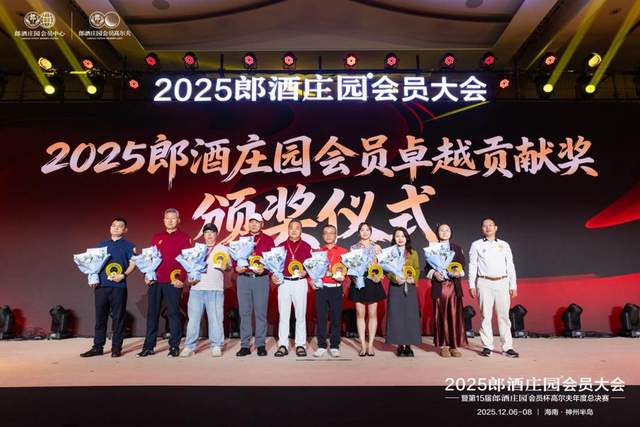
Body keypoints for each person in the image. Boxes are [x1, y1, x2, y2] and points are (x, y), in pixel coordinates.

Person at [137, 208, 191, 358]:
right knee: (152, 313)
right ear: (164, 220)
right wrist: (147, 275)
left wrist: (181, 278)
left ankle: (174, 346)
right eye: (167, 218)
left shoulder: (184, 237)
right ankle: (148, 347)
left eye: (173, 218)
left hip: (173, 281)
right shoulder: (157, 237)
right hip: (155, 281)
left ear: (178, 220)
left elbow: (187, 259)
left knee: (173, 313)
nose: (170, 221)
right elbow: (150, 258)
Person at [80, 218, 136, 358]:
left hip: (119, 286)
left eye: (120, 226)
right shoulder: (101, 245)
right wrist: (92, 278)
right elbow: (93, 264)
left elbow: (133, 264)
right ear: (110, 228)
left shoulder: (129, 246)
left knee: (118, 318)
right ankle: (97, 347)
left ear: (125, 230)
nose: (116, 228)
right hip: (101, 285)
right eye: (114, 225)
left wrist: (123, 275)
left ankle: (116, 348)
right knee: (100, 317)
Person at [468, 218, 519, 358]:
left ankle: (507, 347)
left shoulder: (504, 244)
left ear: (496, 228)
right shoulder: (476, 245)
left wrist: (513, 285)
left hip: (502, 282)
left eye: (491, 225)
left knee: (504, 316)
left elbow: (510, 265)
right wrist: (471, 284)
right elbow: (473, 265)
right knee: (486, 316)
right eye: (485, 226)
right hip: (484, 282)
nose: (488, 228)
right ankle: (487, 346)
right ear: (482, 229)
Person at [180, 223, 230, 358]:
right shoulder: (196, 250)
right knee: (193, 320)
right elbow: (189, 267)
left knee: (216, 319)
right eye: (207, 232)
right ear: (203, 235)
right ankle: (189, 346)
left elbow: (229, 267)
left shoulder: (223, 249)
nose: (209, 235)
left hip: (215, 289)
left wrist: (225, 266)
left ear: (216, 234)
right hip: (196, 289)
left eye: (212, 232)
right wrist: (190, 277)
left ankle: (216, 345)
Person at [234, 213, 275, 357]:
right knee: (244, 313)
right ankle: (245, 345)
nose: (254, 224)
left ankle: (260, 344)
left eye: (257, 222)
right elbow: (234, 258)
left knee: (260, 313)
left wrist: (265, 270)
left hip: (261, 279)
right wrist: (236, 267)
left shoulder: (268, 240)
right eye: (251, 222)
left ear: (262, 224)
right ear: (248, 224)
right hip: (244, 278)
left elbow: (273, 261)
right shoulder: (241, 239)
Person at [425, 223, 467, 358]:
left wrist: (458, 272)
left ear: (451, 232)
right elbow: (427, 268)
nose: (444, 232)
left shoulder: (457, 248)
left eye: (447, 230)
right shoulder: (432, 249)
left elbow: (462, 265)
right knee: (441, 315)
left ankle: (454, 346)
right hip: (439, 286)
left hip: (453, 286)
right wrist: (434, 273)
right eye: (441, 230)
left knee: (454, 315)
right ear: (437, 233)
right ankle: (443, 346)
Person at [273, 219, 312, 357]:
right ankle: (283, 345)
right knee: (283, 315)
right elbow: (274, 265)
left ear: (301, 230)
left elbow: (311, 265)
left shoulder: (307, 246)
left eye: (297, 228)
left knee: (300, 315)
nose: (294, 230)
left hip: (300, 282)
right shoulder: (280, 246)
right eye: (291, 228)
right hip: (284, 282)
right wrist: (273, 276)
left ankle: (300, 345)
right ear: (288, 230)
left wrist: (306, 272)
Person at [348, 222, 385, 356]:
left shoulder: (377, 247)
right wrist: (354, 278)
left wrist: (379, 276)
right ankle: (363, 346)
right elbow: (350, 266)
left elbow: (383, 266)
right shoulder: (353, 248)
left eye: (367, 230)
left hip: (372, 281)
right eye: (362, 230)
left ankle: (370, 345)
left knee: (373, 314)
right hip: (358, 281)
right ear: (359, 232)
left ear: (371, 232)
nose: (364, 232)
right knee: (360, 314)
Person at [384, 227, 422, 357]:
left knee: (410, 315)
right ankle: (400, 345)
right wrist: (395, 278)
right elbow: (386, 270)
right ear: (394, 238)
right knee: (396, 315)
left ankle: (409, 345)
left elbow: (417, 268)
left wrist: (413, 278)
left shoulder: (413, 253)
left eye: (403, 236)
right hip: (396, 287)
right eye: (397, 236)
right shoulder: (389, 253)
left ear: (407, 238)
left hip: (409, 287)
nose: (400, 239)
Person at [312, 225, 348, 358]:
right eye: (325, 233)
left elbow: (349, 269)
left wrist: (344, 277)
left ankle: (334, 346)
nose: (328, 235)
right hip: (321, 288)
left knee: (336, 319)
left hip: (336, 288)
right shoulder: (317, 252)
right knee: (321, 318)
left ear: (335, 236)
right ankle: (321, 345)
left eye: (331, 233)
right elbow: (312, 270)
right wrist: (311, 282)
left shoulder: (344, 252)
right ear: (322, 236)